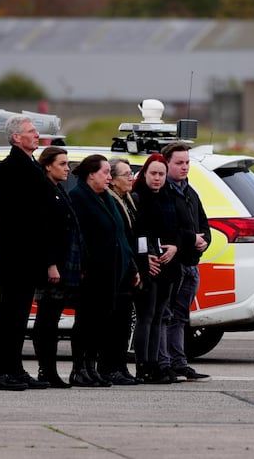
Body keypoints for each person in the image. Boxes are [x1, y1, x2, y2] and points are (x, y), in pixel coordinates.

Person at [0, 115, 52, 391]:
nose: (37, 135)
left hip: (28, 256)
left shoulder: (29, 165)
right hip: (16, 256)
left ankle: (16, 369)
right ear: (16, 137)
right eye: (31, 131)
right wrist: (1, 247)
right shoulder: (10, 168)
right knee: (9, 317)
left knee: (20, 317)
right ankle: (1, 374)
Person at [68, 154, 140, 387]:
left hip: (112, 272)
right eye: (105, 172)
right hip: (91, 273)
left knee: (99, 324)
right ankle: (80, 369)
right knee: (86, 323)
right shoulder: (79, 197)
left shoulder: (105, 198)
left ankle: (92, 367)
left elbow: (119, 235)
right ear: (91, 174)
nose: (109, 177)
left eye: (111, 172)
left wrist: (130, 265)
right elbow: (79, 237)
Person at [31, 146, 85, 389]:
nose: (67, 168)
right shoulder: (43, 190)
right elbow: (44, 232)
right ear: (47, 166)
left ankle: (49, 370)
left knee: (51, 320)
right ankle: (47, 370)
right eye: (62, 164)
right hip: (52, 266)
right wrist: (51, 265)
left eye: (67, 164)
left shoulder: (58, 190)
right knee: (46, 322)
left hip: (64, 264)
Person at [158, 142, 212, 383]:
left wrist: (204, 242)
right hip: (173, 265)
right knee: (166, 315)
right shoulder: (164, 192)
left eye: (187, 162)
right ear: (166, 163)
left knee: (181, 317)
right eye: (179, 163)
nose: (185, 167)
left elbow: (203, 224)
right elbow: (169, 229)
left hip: (191, 263)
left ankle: (180, 362)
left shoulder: (190, 192)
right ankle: (164, 362)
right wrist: (192, 239)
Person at [131, 153, 181, 384]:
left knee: (159, 315)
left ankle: (155, 365)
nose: (157, 178)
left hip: (167, 264)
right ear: (145, 173)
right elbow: (137, 232)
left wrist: (175, 247)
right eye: (153, 174)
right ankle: (143, 366)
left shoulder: (168, 196)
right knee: (146, 316)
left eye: (161, 174)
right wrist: (144, 258)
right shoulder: (137, 197)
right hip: (148, 264)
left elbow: (178, 227)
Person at [100, 157, 142, 385]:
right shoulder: (112, 201)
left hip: (129, 267)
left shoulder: (128, 200)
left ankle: (120, 365)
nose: (131, 178)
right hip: (118, 268)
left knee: (125, 321)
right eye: (126, 174)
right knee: (114, 322)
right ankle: (109, 367)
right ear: (113, 180)